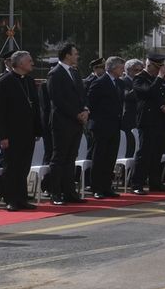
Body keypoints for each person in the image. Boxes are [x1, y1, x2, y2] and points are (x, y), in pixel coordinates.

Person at [0, 51, 41, 212]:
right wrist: (2, 136)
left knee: (24, 167)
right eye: (29, 61)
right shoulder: (4, 82)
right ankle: (10, 199)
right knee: (11, 168)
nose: (32, 63)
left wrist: (37, 129)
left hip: (28, 133)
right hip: (11, 134)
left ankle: (22, 198)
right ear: (19, 64)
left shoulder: (29, 81)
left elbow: (35, 107)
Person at [44, 43, 89, 205]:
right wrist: (76, 114)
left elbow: (81, 95)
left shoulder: (75, 73)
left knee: (71, 157)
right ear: (67, 55)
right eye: (75, 53)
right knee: (59, 158)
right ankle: (55, 192)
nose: (77, 56)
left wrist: (85, 110)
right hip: (62, 122)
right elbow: (57, 99)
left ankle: (70, 192)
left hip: (76, 122)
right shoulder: (55, 73)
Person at [131, 54, 165, 194]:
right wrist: (160, 78)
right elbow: (148, 92)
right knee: (145, 153)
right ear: (151, 66)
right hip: (147, 121)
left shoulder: (158, 80)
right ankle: (137, 183)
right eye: (159, 67)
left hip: (160, 120)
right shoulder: (140, 78)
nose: (161, 70)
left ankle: (155, 182)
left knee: (157, 152)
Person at [84, 57, 126, 199]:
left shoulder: (119, 83)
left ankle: (107, 186)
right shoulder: (100, 82)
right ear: (113, 68)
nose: (123, 70)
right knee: (100, 157)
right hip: (101, 126)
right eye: (121, 67)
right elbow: (91, 102)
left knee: (110, 157)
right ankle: (97, 187)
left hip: (114, 125)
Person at [120, 58, 143, 159]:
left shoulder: (140, 82)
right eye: (135, 70)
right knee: (129, 147)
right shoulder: (123, 81)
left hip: (139, 118)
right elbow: (127, 96)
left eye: (140, 70)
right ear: (128, 70)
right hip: (128, 119)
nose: (138, 73)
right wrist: (138, 88)